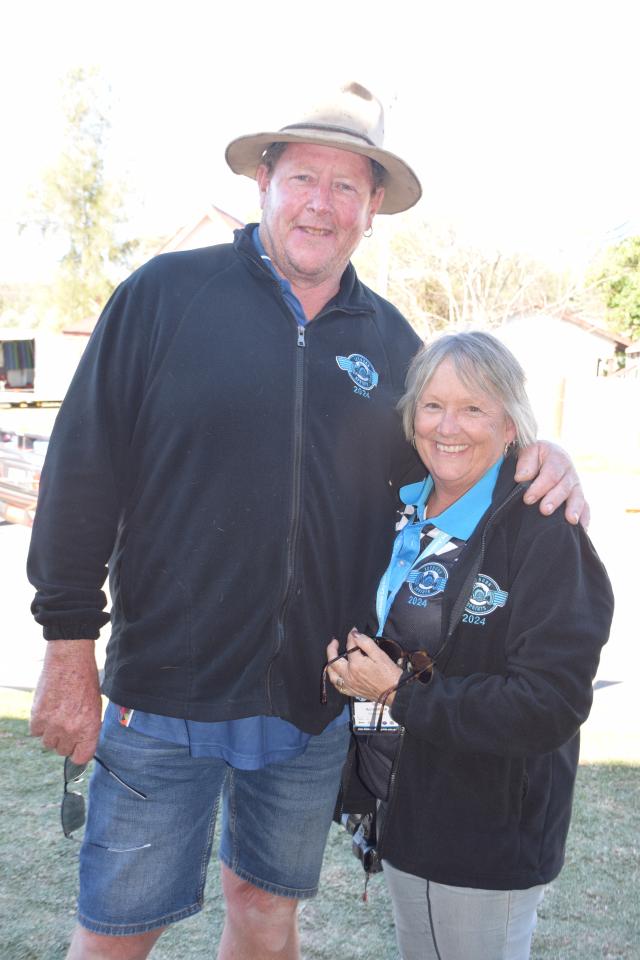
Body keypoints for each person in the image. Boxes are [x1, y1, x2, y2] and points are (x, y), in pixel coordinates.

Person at [28, 82, 587, 960]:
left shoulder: (393, 343)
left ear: (371, 209)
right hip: (162, 696)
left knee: (265, 913)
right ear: (264, 181)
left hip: (311, 704)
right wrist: (67, 649)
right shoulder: (164, 296)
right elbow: (81, 472)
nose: (321, 204)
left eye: (346, 187)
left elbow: (455, 452)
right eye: (303, 178)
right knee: (115, 934)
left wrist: (541, 457)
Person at [325, 331, 614, 960]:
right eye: (432, 405)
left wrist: (399, 693)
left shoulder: (544, 528)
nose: (447, 426)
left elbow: (551, 703)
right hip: (407, 809)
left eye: (473, 407)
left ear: (511, 424)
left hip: (483, 832)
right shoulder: (403, 507)